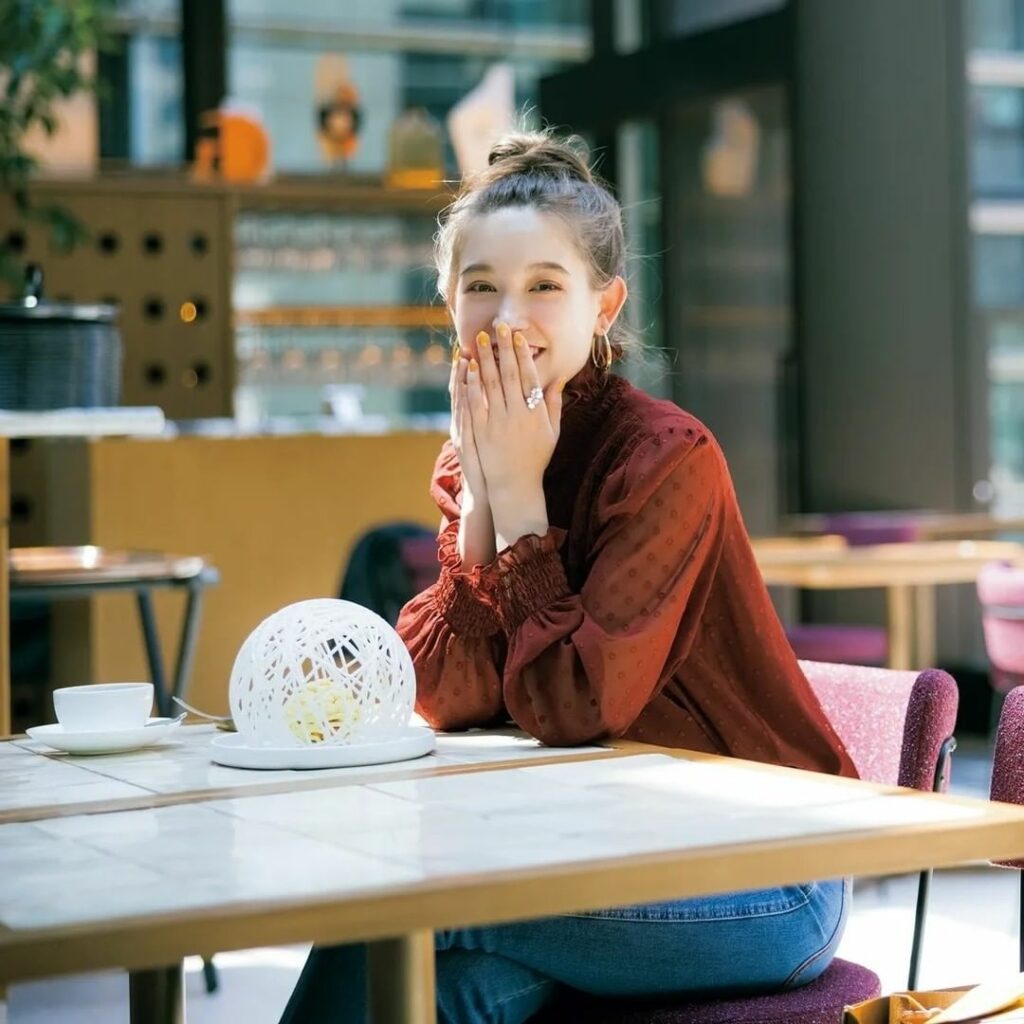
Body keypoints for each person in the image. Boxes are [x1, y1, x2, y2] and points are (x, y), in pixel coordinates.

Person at [279, 130, 857, 1024]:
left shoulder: (666, 457)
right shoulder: (477, 451)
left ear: (604, 304)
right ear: (448, 307)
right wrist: (479, 498)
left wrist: (516, 505)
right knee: (437, 983)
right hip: (604, 847)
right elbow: (436, 693)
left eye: (545, 285)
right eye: (481, 288)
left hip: (766, 872)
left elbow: (576, 708)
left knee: (410, 915)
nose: (508, 318)